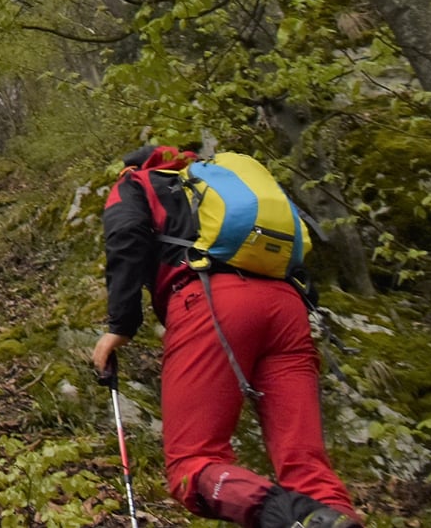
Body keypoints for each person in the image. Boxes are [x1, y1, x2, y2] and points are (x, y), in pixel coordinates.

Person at [93, 145, 360, 528]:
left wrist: (120, 326)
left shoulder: (137, 181)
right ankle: (331, 518)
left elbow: (125, 237)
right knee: (305, 464)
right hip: (288, 305)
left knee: (191, 464)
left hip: (212, 302)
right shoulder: (218, 181)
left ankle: (292, 517)